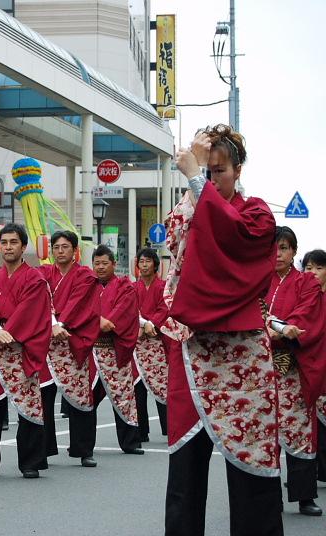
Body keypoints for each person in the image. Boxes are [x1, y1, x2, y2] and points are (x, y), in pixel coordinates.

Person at [163, 124, 281, 536]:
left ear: (239, 169)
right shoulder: (183, 212)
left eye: (220, 170)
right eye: (206, 171)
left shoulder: (258, 214)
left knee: (251, 461)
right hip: (192, 348)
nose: (212, 178)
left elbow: (227, 234)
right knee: (185, 465)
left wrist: (195, 178)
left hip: (243, 351)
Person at [0, 223, 51, 478]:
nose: (8, 247)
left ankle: (30, 462)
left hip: (21, 348)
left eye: (14, 242)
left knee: (28, 406)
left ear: (23, 246)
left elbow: (31, 310)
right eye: (4, 243)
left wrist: (7, 333)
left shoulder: (35, 278)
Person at [266, 231, 326, 516]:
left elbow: (307, 315)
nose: (277, 254)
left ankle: (304, 496)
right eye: (273, 249)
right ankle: (266, 497)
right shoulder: (254, 282)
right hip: (259, 368)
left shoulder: (306, 283)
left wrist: (278, 329)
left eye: (284, 248)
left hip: (292, 367)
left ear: (294, 252)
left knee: (299, 429)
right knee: (263, 431)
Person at [39, 230, 101, 467]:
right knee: (43, 396)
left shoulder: (85, 276)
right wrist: (52, 324)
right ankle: (44, 448)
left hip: (72, 341)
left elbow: (80, 305)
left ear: (75, 250)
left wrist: (61, 324)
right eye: (56, 247)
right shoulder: (44, 273)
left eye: (65, 247)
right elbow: (38, 299)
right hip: (46, 342)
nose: (60, 251)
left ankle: (84, 449)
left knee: (80, 396)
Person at [87, 245, 143, 456]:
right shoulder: (87, 286)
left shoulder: (125, 287)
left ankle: (130, 442)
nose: (100, 267)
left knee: (124, 396)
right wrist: (97, 321)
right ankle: (84, 446)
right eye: (97, 263)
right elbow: (79, 313)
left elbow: (120, 316)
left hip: (114, 350)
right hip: (91, 352)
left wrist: (100, 322)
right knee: (87, 398)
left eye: (104, 263)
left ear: (114, 264)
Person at [132, 247, 169, 441]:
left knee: (163, 383)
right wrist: (142, 324)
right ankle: (141, 430)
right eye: (141, 261)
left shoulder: (163, 286)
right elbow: (130, 310)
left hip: (156, 342)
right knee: (138, 386)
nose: (144, 265)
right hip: (137, 342)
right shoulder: (132, 288)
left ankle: (169, 428)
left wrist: (151, 323)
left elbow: (164, 308)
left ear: (155, 264)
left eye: (148, 261)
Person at [302, 250, 326, 487]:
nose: (314, 273)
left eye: (319, 268)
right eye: (309, 268)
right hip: (310, 362)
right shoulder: (304, 297)